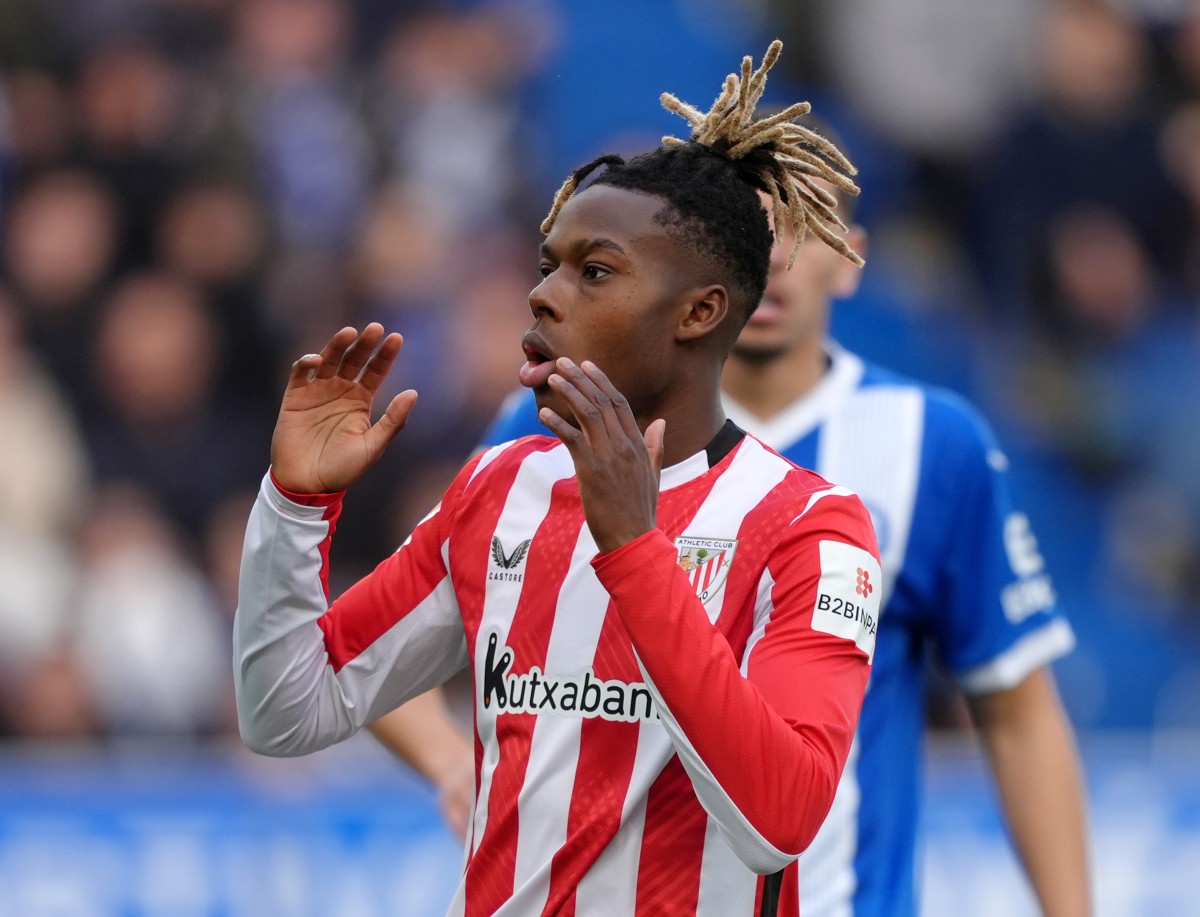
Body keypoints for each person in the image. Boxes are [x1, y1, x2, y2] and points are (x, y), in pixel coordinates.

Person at [369, 126, 1093, 917]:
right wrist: (450, 762)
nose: (775, 257)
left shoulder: (932, 444)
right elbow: (388, 634)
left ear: (851, 258)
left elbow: (1018, 709)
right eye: (752, 232)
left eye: (801, 232)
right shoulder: (554, 421)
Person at [234, 41, 882, 916]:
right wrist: (296, 506)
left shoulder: (811, 526)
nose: (543, 295)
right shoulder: (500, 488)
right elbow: (286, 710)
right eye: (549, 263)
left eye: (595, 271)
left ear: (699, 312)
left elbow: (780, 820)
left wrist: (634, 550)